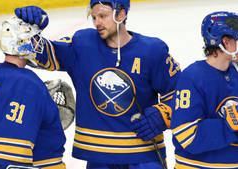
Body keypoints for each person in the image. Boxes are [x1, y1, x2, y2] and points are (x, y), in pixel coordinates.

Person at [14, 0, 180, 168]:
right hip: (99, 158)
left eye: (103, 16)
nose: (97, 22)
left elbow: (180, 94)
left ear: (121, 14)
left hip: (144, 157)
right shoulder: (83, 44)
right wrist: (29, 28)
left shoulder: (152, 50)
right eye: (94, 17)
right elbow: (39, 55)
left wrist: (162, 115)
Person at [0, 16, 66, 169]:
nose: (37, 42)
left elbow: (1, 120)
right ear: (20, 43)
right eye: (33, 38)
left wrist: (42, 110)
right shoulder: (27, 83)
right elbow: (12, 152)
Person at [171, 11, 238, 169]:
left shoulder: (235, 72)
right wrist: (228, 124)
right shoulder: (192, 77)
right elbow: (186, 135)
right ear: (226, 42)